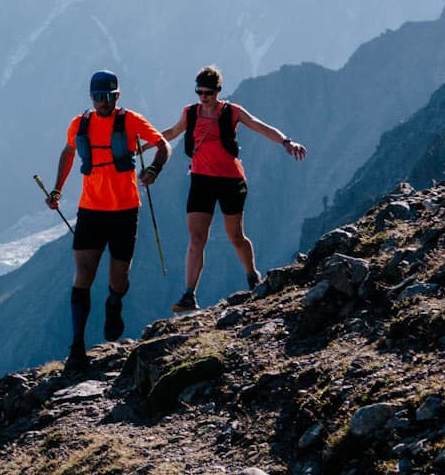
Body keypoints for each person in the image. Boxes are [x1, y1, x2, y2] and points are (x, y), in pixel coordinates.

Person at [44, 70, 169, 372]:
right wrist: (57, 188)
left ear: (117, 96)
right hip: (91, 210)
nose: (102, 102)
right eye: (97, 97)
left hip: (125, 210)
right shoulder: (80, 124)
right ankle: (77, 347)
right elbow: (69, 151)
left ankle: (114, 303)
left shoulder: (131, 122)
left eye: (108, 97)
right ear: (91, 97)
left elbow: (163, 144)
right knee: (83, 273)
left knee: (118, 278)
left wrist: (153, 170)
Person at [156, 64, 307, 312]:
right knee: (196, 238)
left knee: (235, 235)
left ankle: (251, 276)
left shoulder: (232, 111)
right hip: (201, 180)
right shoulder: (190, 113)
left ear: (218, 91)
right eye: (199, 92)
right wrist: (144, 145)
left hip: (230, 180)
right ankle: (189, 294)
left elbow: (259, 126)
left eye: (208, 92)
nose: (203, 97)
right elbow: (171, 133)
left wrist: (286, 142)